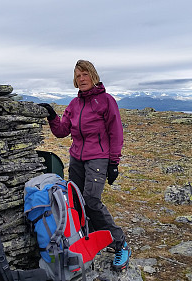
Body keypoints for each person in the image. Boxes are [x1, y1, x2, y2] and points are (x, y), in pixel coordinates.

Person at [38, 59, 131, 271]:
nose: (82, 79)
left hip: (98, 158)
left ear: (93, 76)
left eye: (85, 74)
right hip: (77, 159)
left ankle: (120, 244)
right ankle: (87, 241)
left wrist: (113, 162)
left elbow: (116, 133)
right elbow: (62, 131)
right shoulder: (74, 104)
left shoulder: (106, 101)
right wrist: (53, 116)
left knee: (91, 201)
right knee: (76, 202)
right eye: (78, 75)